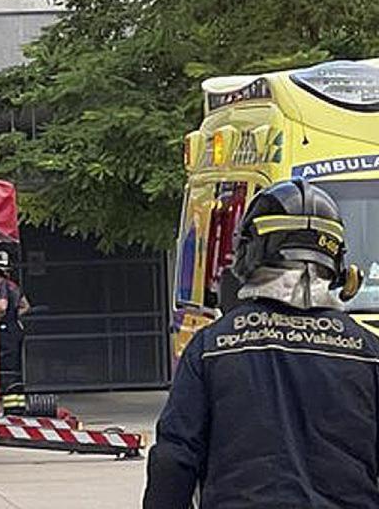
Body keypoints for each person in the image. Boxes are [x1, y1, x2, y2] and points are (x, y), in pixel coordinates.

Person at [144, 179, 377, 509]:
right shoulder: (368, 352)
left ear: (248, 254)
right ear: (339, 264)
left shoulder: (212, 347)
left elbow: (173, 460)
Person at [0, 265, 25, 392]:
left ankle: (8, 393)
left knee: (5, 364)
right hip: (15, 327)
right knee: (15, 364)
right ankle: (16, 394)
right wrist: (15, 317)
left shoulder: (3, 286)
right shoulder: (14, 286)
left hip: (5, 329)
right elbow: (25, 306)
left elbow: (2, 306)